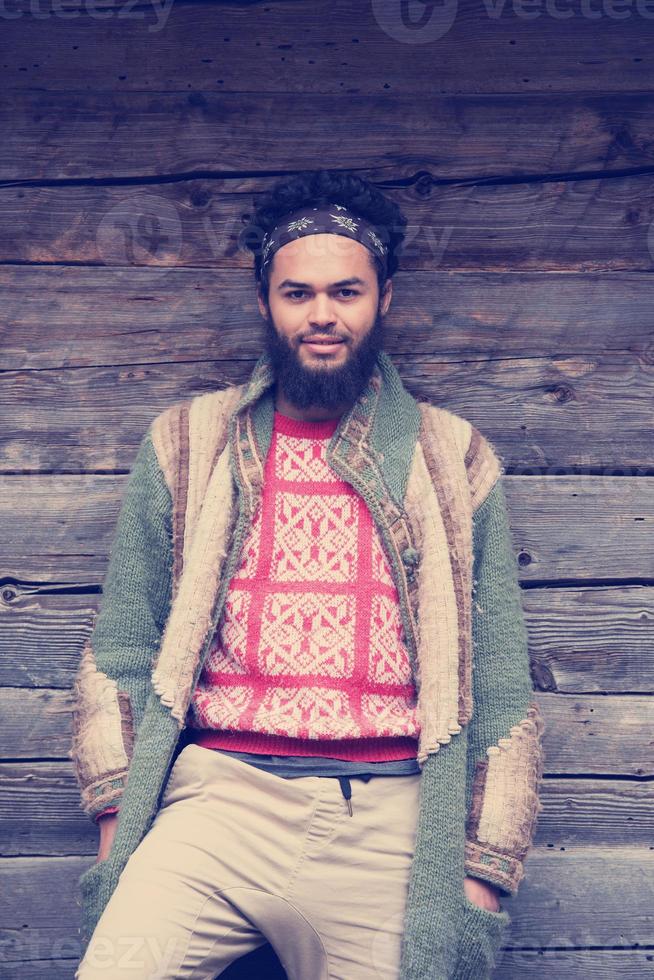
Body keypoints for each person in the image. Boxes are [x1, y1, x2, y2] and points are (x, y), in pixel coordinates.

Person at [70, 169, 545, 979]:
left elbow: (499, 682)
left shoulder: (451, 455)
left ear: (383, 298)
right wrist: (121, 827)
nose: (322, 314)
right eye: (298, 293)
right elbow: (121, 644)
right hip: (216, 801)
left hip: (392, 816)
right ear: (267, 303)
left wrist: (480, 877)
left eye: (345, 292)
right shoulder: (189, 443)